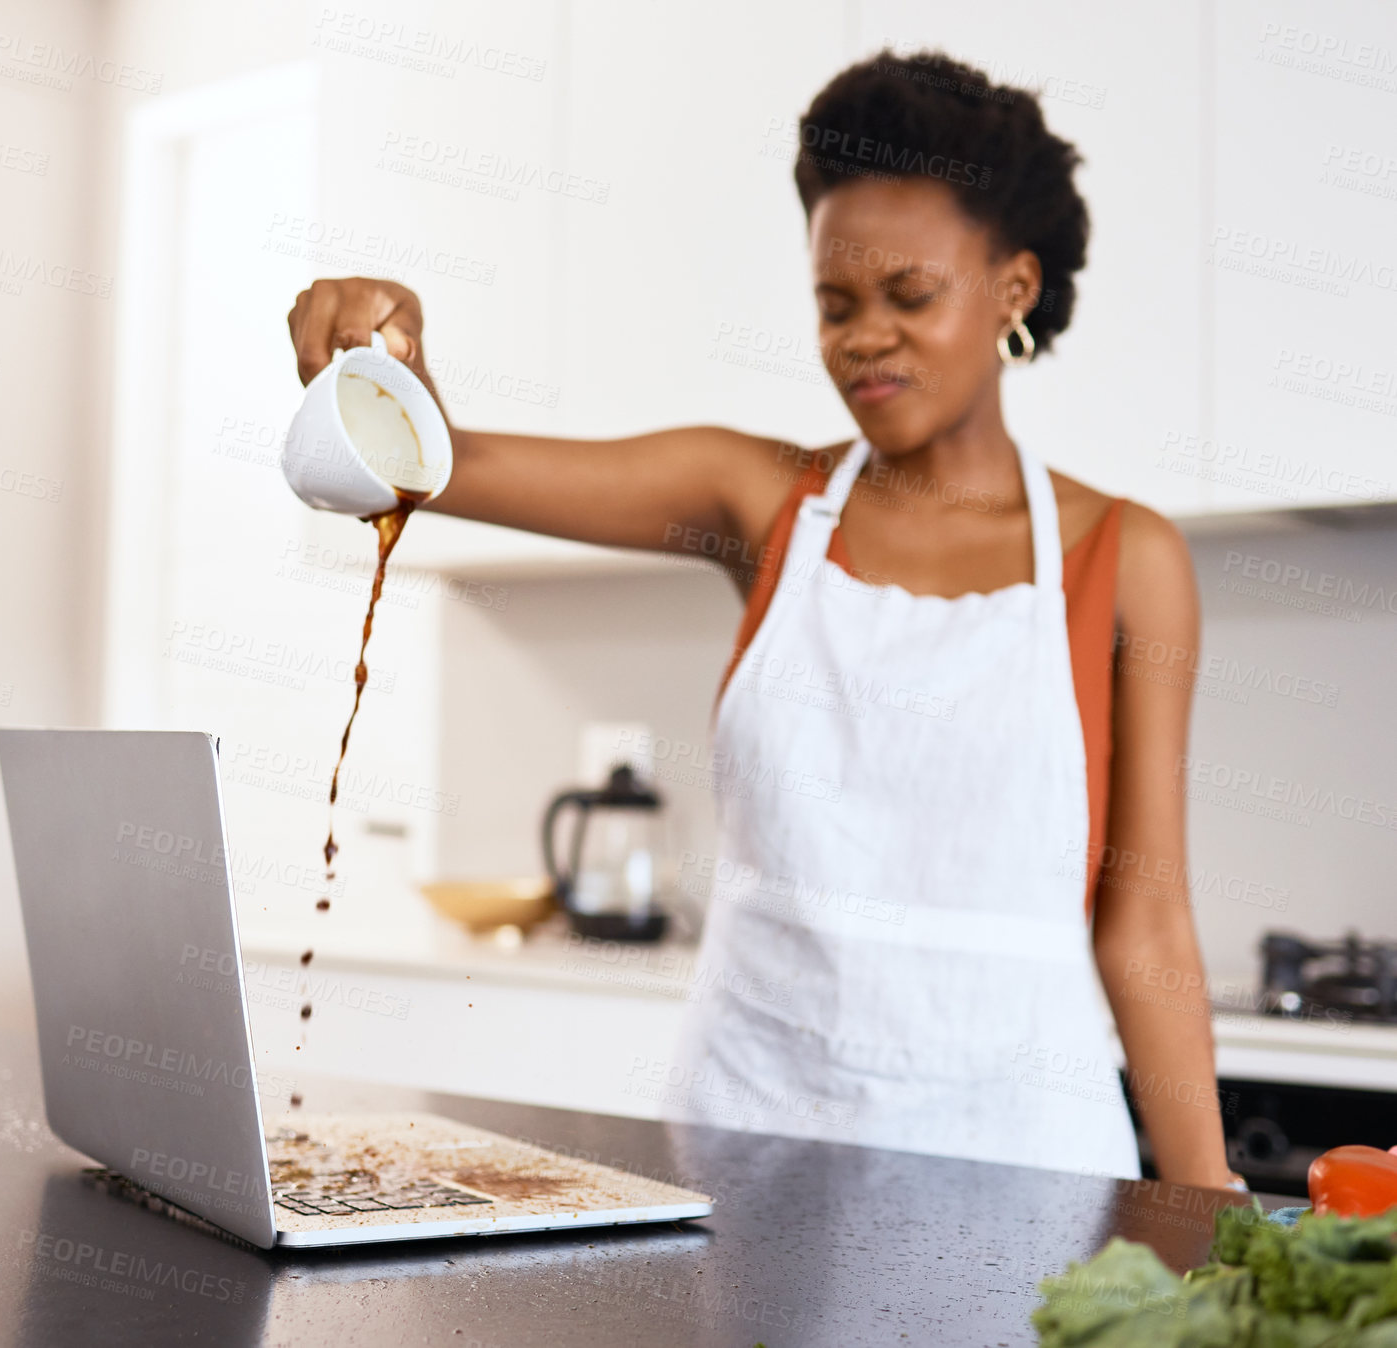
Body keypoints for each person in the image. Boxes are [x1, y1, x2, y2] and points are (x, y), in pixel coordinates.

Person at [287, 49, 1242, 1188]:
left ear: (1014, 290)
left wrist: (1205, 1217)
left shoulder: (1126, 557)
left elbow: (1146, 926)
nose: (862, 337)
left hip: (1021, 1170)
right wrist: (393, 354)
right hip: (750, 1150)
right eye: (833, 305)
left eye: (910, 295)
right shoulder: (759, 503)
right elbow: (442, 465)